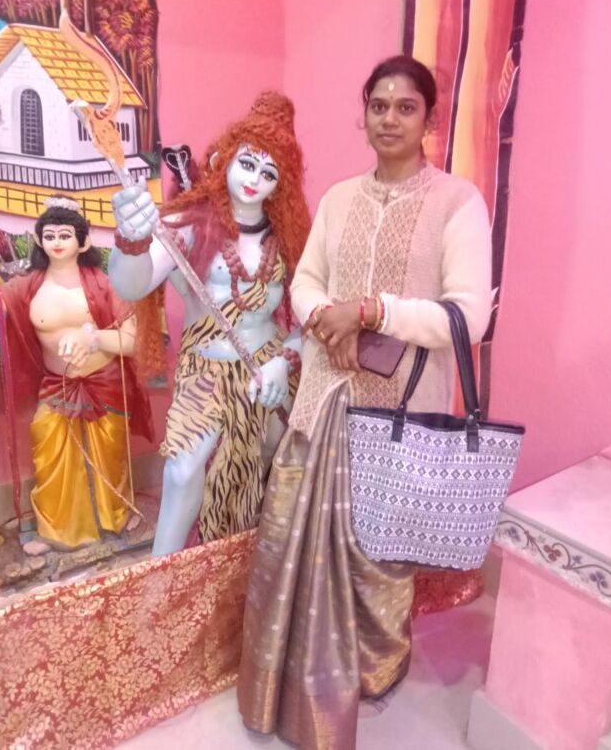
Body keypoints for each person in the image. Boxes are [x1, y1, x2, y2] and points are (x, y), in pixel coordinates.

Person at [237, 56, 492, 748]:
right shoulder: (339, 199)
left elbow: (468, 317)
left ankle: (373, 672)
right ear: (365, 113)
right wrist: (331, 317)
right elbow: (305, 282)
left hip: (400, 410)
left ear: (429, 118)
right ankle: (285, 679)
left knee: (379, 556)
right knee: (291, 538)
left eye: (405, 107)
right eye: (378, 105)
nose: (389, 118)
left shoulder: (458, 203)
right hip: (323, 397)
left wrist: (373, 311)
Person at [108, 92, 311, 556]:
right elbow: (132, 284)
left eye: (269, 173)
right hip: (206, 369)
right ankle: (162, 574)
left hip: (271, 372)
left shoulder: (290, 236)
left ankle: (250, 565)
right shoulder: (189, 222)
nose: (255, 180)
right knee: (182, 471)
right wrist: (130, 241)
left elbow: (313, 317)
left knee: (273, 464)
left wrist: (286, 361)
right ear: (223, 158)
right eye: (248, 164)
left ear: (281, 184)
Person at [1, 197, 152, 552]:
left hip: (104, 382)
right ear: (39, 240)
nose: (57, 242)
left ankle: (115, 515)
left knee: (109, 455)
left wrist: (92, 337)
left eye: (65, 235)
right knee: (48, 448)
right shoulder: (25, 288)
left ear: (83, 242)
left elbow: (133, 341)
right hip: (56, 386)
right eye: (50, 235)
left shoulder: (105, 285)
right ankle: (56, 530)